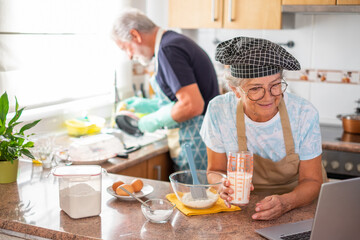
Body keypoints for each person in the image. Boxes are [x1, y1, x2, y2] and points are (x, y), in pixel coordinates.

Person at [200, 36, 328, 220]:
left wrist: (286, 203)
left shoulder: (303, 113)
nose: (268, 97)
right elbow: (215, 171)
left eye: (275, 85)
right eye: (255, 89)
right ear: (235, 90)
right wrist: (221, 185)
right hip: (243, 210)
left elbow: (312, 181)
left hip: (298, 206)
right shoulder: (219, 111)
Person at [111, 8, 219, 171]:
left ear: (135, 35)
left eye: (126, 48)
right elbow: (178, 101)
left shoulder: (168, 50)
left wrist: (153, 120)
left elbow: (192, 105)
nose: (129, 56)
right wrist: (148, 105)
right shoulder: (173, 42)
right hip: (201, 138)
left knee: (196, 196)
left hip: (198, 141)